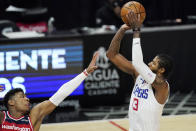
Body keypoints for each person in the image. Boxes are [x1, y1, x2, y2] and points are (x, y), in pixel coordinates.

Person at [106, 11, 173, 131]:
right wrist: (121, 30)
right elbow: (111, 54)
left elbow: (137, 62)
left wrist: (136, 31)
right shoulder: (139, 74)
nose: (149, 63)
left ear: (161, 70)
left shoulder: (162, 86)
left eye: (154, 63)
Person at [0, 52, 99, 131]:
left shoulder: (33, 116)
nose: (27, 99)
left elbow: (60, 95)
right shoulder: (2, 117)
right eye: (22, 97)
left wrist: (85, 73)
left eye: (26, 97)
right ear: (11, 102)